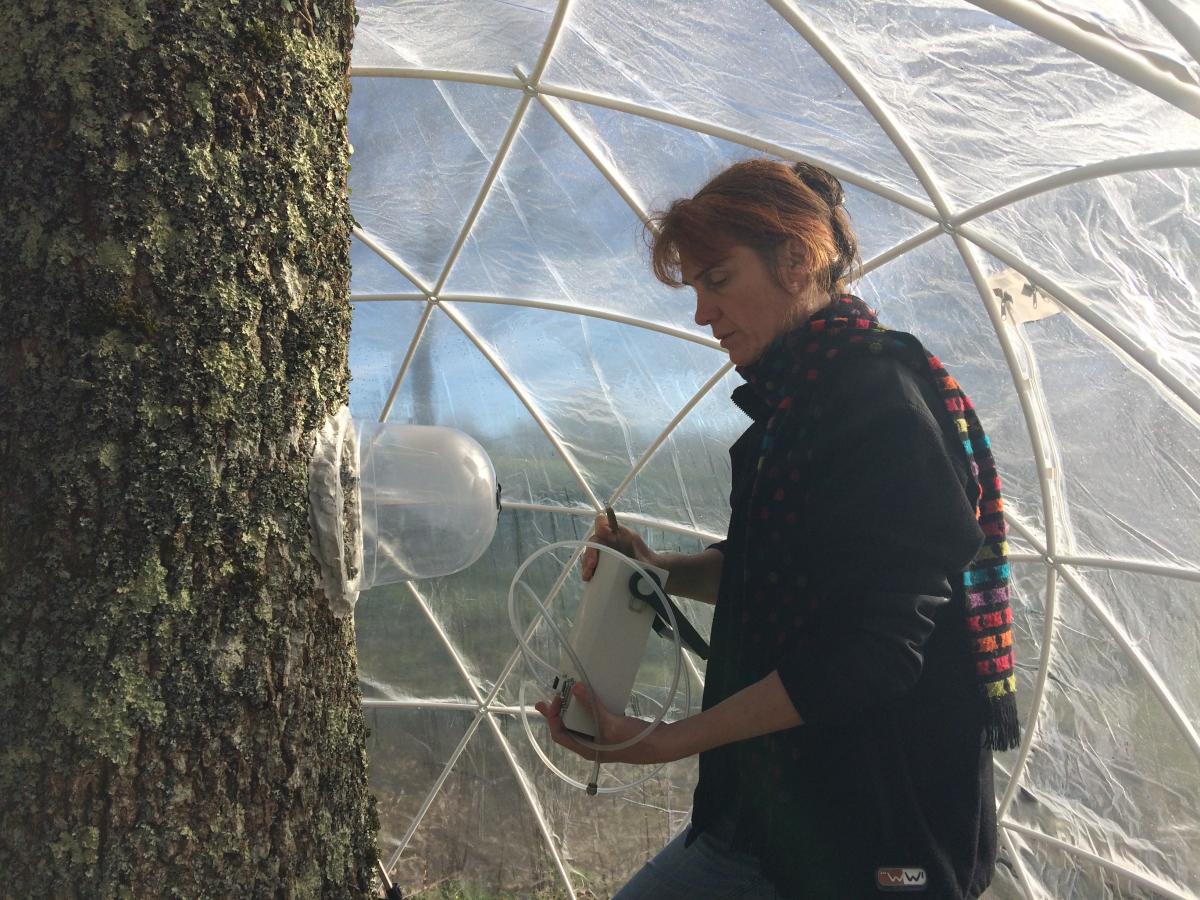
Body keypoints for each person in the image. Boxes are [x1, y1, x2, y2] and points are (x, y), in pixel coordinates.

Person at [535, 159, 1019, 899]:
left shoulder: (878, 400)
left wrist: (664, 742)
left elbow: (874, 650)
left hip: (876, 843)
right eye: (695, 290)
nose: (703, 314)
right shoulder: (796, 407)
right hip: (768, 817)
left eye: (718, 280)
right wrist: (656, 569)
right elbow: (780, 570)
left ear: (797, 260)